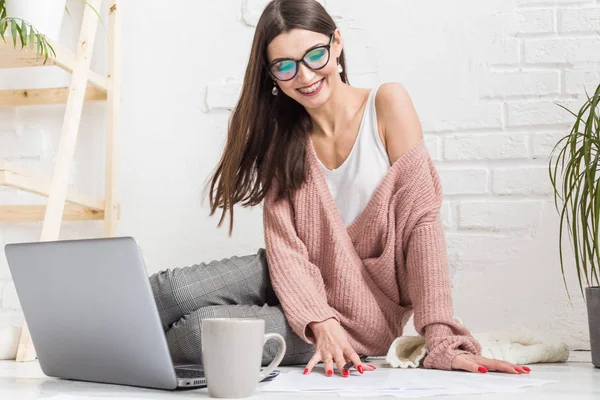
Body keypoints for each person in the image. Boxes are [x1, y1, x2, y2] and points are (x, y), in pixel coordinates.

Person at [149, 0, 532, 378]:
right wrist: (317, 317)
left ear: (336, 44)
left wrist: (441, 339)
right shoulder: (284, 138)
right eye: (285, 65)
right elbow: (285, 245)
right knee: (169, 290)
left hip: (358, 321)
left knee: (198, 333)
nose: (304, 75)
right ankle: (94, 346)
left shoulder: (387, 104)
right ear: (272, 76)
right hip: (295, 278)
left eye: (314, 55)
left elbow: (422, 225)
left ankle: (126, 359)